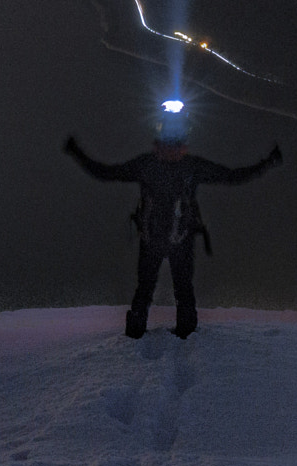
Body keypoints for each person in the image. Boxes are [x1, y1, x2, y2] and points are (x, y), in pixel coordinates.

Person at [65, 111, 282, 340]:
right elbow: (232, 176)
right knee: (163, 290)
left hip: (171, 239)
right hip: (165, 239)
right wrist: (267, 163)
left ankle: (160, 336)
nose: (173, 150)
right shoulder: (171, 166)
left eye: (176, 145)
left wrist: (76, 153)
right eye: (170, 145)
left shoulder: (162, 166)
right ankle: (165, 336)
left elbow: (232, 176)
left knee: (167, 290)